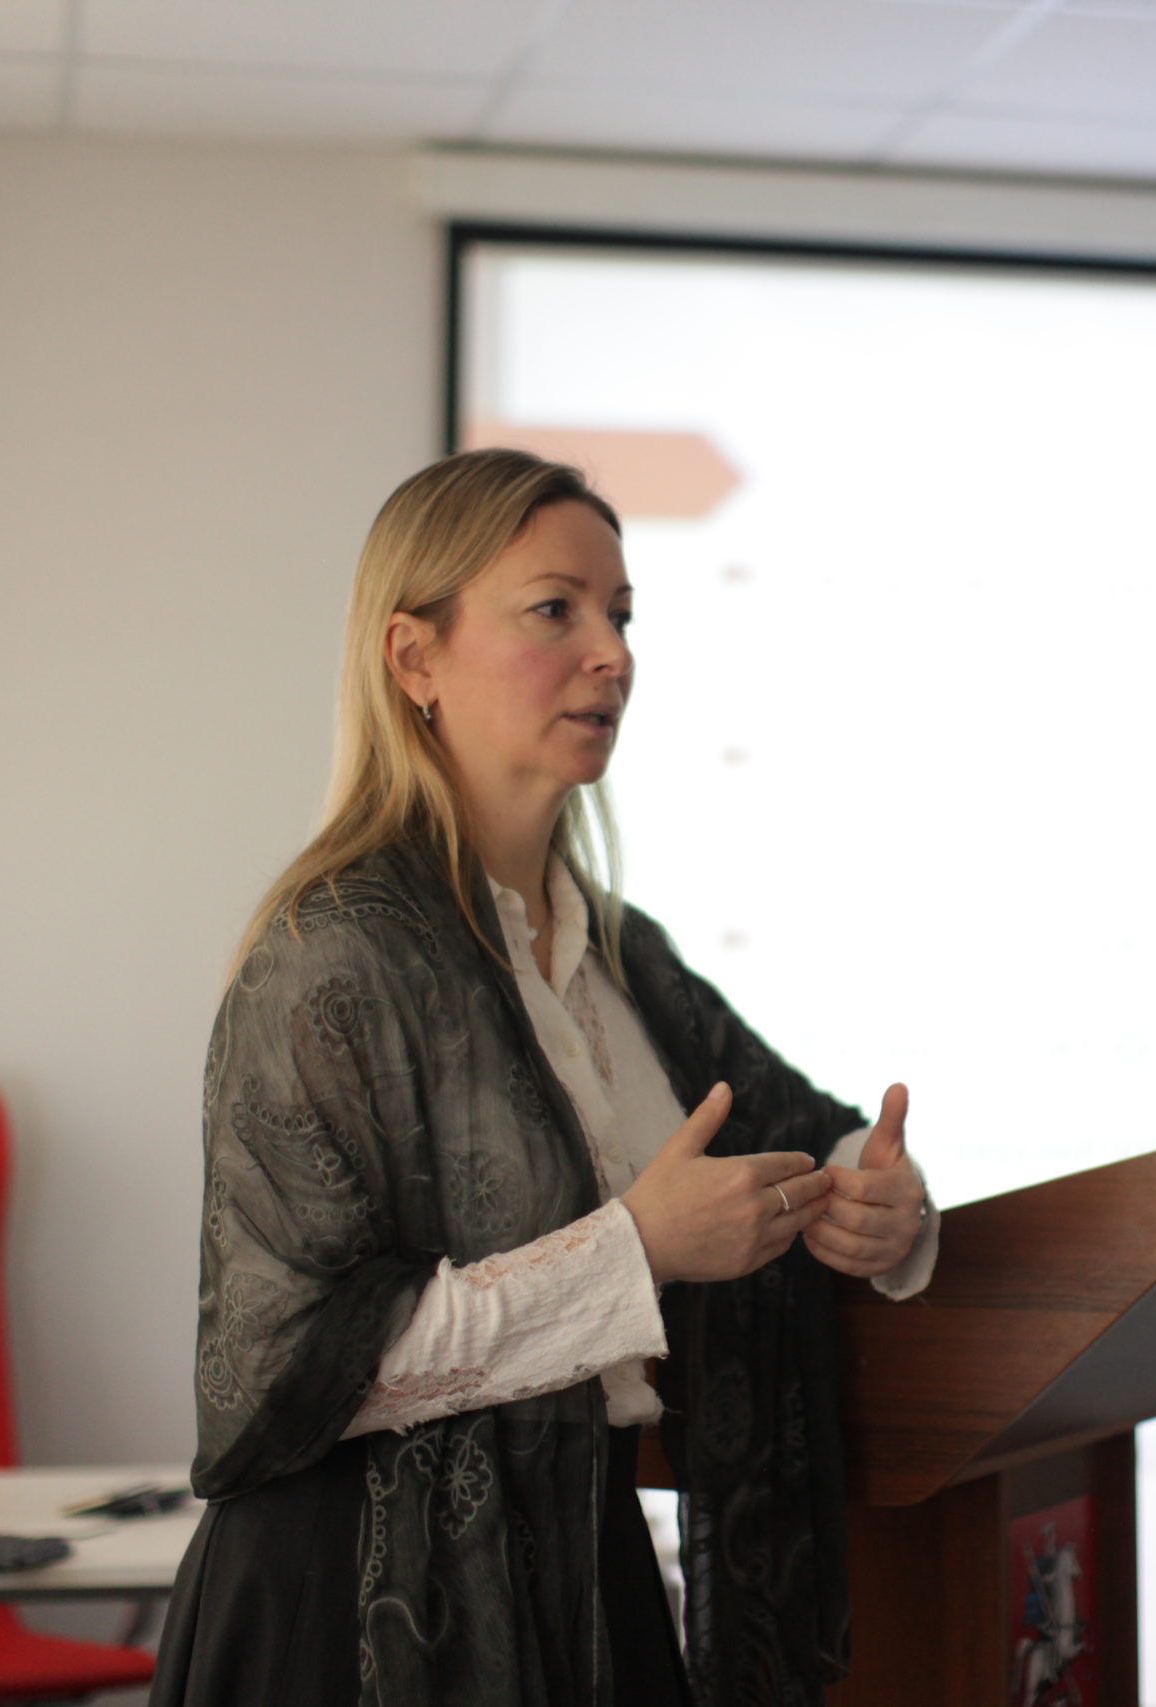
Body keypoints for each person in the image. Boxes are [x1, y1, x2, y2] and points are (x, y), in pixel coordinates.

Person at [148, 449, 936, 1707]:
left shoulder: (625, 956)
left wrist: (877, 1201)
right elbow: (283, 1374)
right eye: (554, 610)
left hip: (582, 1580)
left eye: (620, 615)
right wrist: (636, 1251)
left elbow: (812, 1134)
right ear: (414, 657)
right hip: (349, 1620)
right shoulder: (329, 955)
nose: (610, 654)